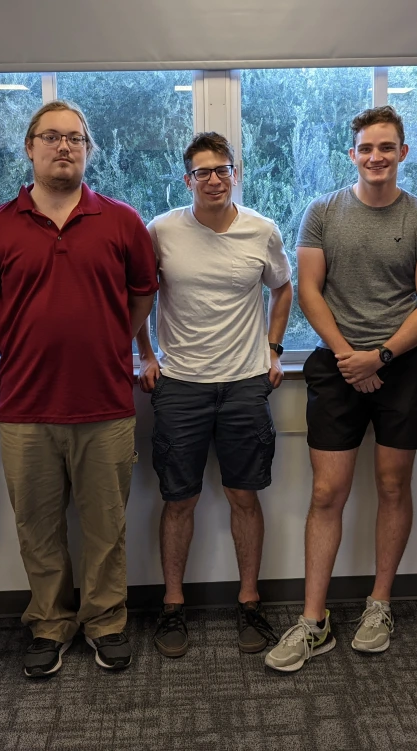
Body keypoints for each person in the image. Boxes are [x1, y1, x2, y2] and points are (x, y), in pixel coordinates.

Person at [0, 100, 157, 677]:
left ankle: (106, 622)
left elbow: (141, 296)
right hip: (25, 406)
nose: (64, 147)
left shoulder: (122, 221)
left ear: (88, 150)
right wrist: (27, 347)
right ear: (29, 148)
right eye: (51, 137)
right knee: (38, 528)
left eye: (75, 138)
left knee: (107, 528)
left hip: (105, 403)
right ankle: (49, 623)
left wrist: (106, 342)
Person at [265, 106, 417, 673]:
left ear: (402, 154)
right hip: (337, 365)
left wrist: (382, 355)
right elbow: (310, 290)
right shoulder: (321, 213)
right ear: (353, 154)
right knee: (327, 494)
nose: (376, 157)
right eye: (367, 148)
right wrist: (351, 358)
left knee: (394, 487)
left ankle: (379, 605)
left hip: (402, 366)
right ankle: (313, 621)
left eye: (387, 147)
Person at [135, 132, 292, 658]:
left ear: (235, 174)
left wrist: (274, 349)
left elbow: (283, 286)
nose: (214, 179)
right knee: (179, 499)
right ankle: (173, 606)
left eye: (222, 169)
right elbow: (139, 295)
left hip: (246, 382)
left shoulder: (261, 231)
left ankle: (249, 602)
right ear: (188, 180)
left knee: (244, 496)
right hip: (179, 384)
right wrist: (146, 354)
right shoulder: (161, 231)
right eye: (202, 172)